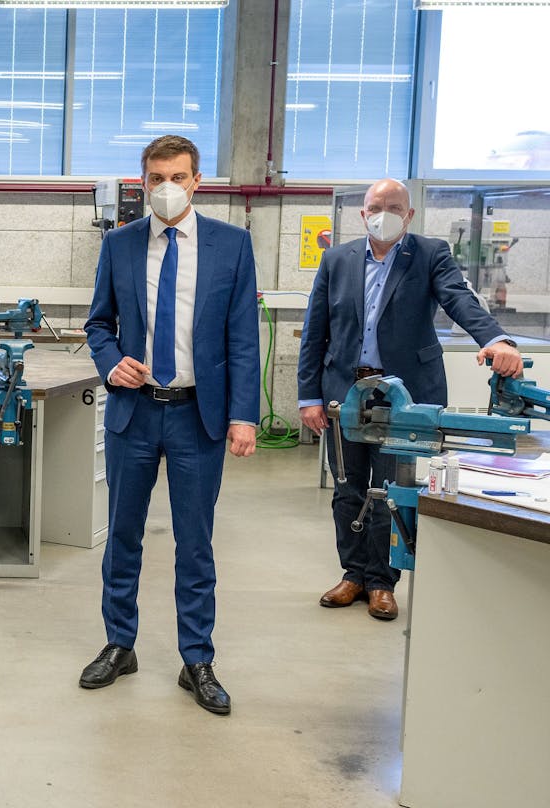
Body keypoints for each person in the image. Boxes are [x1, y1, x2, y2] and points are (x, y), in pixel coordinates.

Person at [80, 135, 259, 716]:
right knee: (122, 536)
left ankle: (197, 658)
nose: (166, 188)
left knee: (195, 543)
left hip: (197, 417)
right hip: (134, 414)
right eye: (156, 177)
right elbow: (98, 325)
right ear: (142, 181)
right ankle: (119, 643)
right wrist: (112, 365)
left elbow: (242, 339)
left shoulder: (232, 246)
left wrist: (243, 416)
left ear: (198, 180)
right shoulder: (120, 245)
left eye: (177, 176)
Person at [297, 178, 521, 621]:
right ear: (362, 213)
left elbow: (460, 299)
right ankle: (354, 574)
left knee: (390, 490)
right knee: (347, 488)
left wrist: (497, 339)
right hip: (346, 394)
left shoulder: (430, 253)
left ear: (410, 214)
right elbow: (315, 330)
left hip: (403, 397)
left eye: (394, 206)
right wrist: (309, 396)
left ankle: (382, 582)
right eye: (376, 207)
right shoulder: (337, 260)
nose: (384, 214)